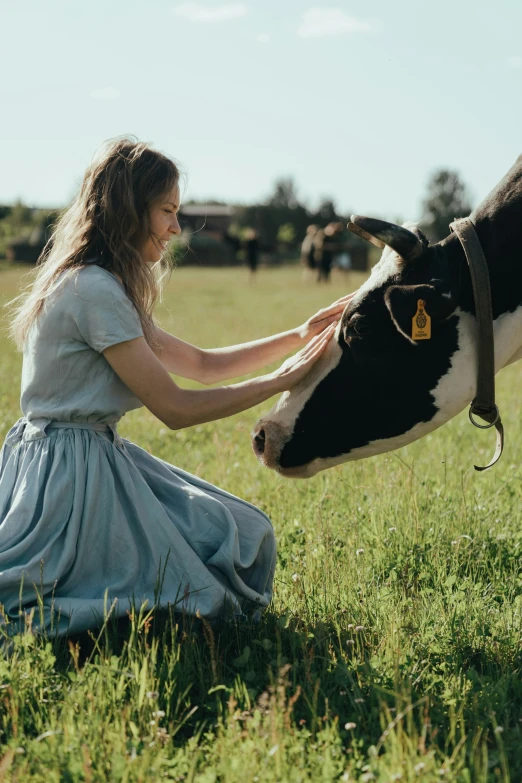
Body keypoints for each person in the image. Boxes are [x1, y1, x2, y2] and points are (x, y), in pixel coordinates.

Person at [0, 137, 352, 636]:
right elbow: (176, 408)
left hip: (86, 456)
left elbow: (203, 364)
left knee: (246, 534)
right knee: (197, 584)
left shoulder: (96, 283)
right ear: (129, 209)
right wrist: (280, 380)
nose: (175, 227)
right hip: (69, 478)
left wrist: (299, 336)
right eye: (166, 210)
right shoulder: (94, 290)